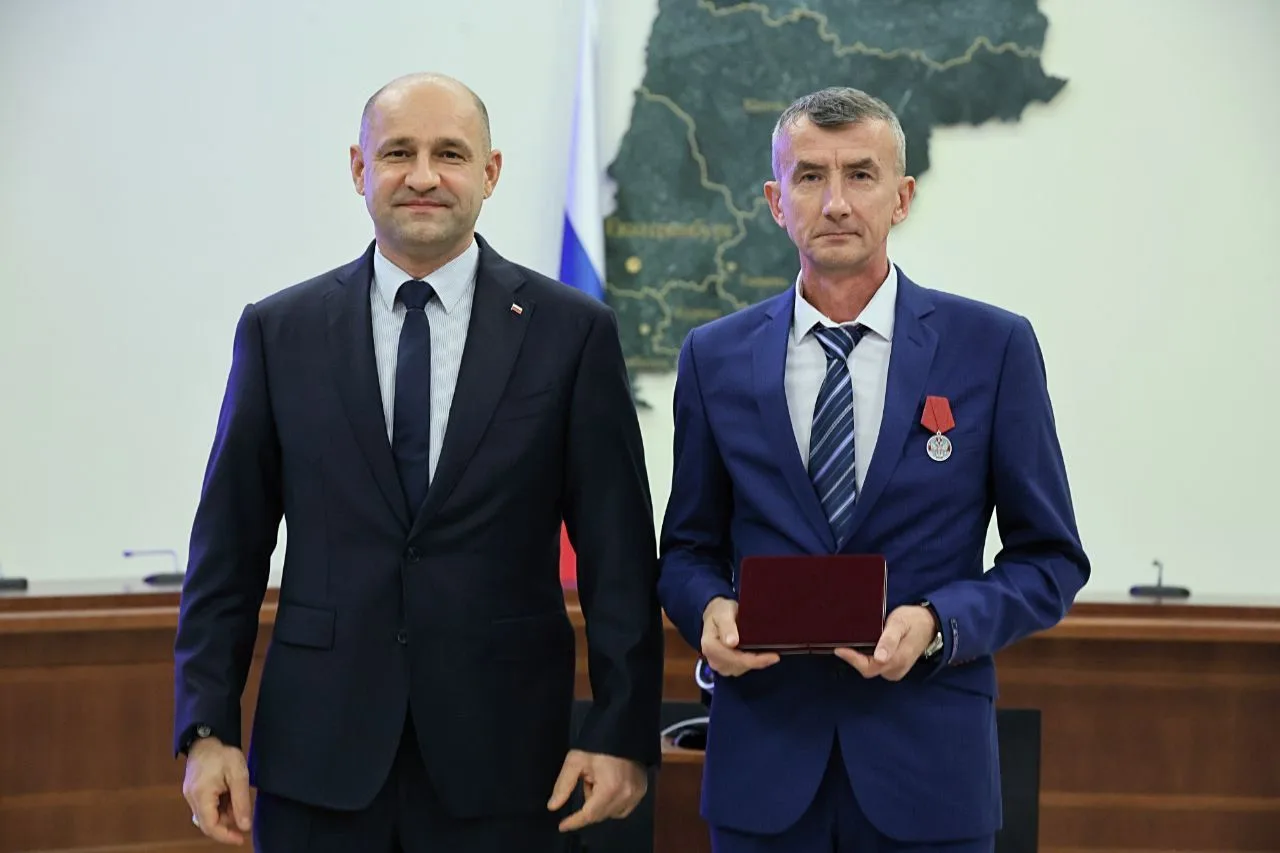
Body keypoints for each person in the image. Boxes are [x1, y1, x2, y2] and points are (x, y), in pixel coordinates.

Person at [173, 72, 664, 853]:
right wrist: (207, 728)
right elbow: (227, 550)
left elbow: (619, 555)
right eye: (398, 152)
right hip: (317, 760)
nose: (424, 175)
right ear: (359, 169)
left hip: (507, 761)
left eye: (451, 154)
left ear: (490, 173)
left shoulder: (571, 333)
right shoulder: (280, 331)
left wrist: (621, 730)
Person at [656, 86, 1090, 852]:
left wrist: (939, 625)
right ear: (775, 201)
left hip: (930, 772)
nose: (835, 202)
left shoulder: (991, 348)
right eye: (809, 176)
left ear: (902, 197)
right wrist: (709, 611)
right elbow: (687, 549)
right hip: (764, 772)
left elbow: (1050, 559)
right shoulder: (713, 356)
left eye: (861, 174)